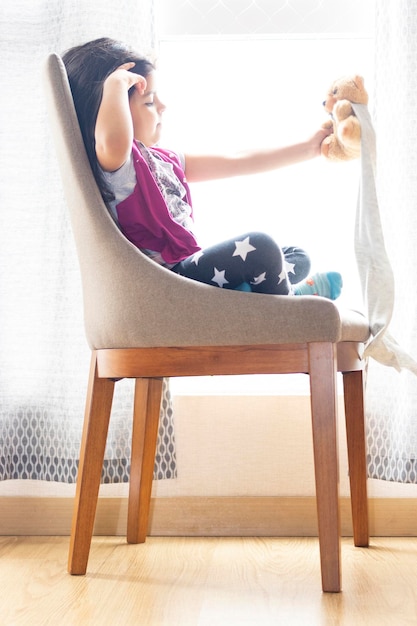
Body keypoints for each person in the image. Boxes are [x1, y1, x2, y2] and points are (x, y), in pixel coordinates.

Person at [62, 37, 342, 298]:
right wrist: (114, 85)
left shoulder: (166, 159)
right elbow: (112, 140)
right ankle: (292, 306)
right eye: (149, 101)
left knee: (296, 256)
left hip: (193, 269)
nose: (162, 106)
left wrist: (310, 148)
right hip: (171, 282)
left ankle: (258, 295)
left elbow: (237, 159)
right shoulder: (117, 168)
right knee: (261, 247)